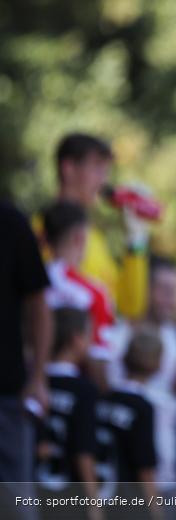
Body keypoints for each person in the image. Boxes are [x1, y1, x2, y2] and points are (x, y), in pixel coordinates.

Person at [36, 133, 150, 320]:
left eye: (106, 171)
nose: (103, 181)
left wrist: (136, 241)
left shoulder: (95, 239)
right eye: (97, 168)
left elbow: (130, 307)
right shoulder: (39, 230)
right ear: (68, 168)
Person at [107, 255, 176, 491]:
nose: (172, 299)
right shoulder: (117, 337)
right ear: (145, 289)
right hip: (122, 470)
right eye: (164, 289)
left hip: (166, 466)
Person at [0, 202, 51, 520]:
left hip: (7, 393)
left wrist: (38, 377)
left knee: (18, 506)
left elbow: (38, 304)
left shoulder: (10, 223)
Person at [43, 201, 117, 392]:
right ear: (79, 237)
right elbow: (98, 360)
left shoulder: (26, 282)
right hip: (75, 398)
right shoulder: (94, 293)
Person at [35, 307, 102, 520]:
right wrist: (93, 503)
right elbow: (84, 450)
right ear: (76, 339)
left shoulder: (33, 383)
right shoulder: (84, 390)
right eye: (89, 335)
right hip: (68, 498)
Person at [95, 329, 161, 520]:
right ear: (157, 364)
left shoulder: (105, 398)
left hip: (100, 494)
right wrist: (156, 510)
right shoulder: (142, 407)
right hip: (128, 501)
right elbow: (145, 467)